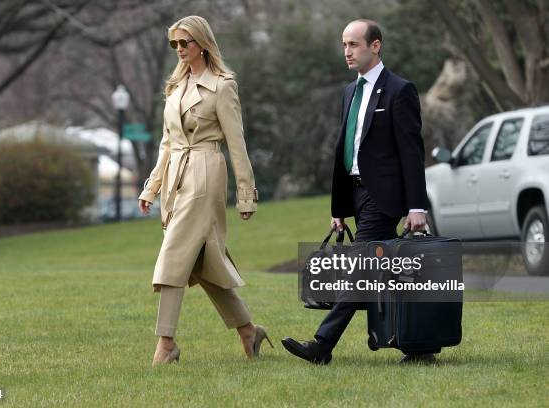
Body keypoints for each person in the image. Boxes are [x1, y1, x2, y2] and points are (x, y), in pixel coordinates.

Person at [281, 19, 431, 364]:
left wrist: (416, 206)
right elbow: (346, 151)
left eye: (354, 44)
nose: (347, 51)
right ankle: (419, 345)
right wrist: (340, 208)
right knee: (386, 271)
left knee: (361, 267)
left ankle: (322, 344)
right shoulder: (350, 91)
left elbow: (411, 153)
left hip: (385, 198)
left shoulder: (399, 90)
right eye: (344, 45)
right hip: (358, 195)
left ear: (375, 46)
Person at [138, 15, 272, 367]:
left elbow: (237, 143)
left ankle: (165, 345)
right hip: (175, 178)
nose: (179, 50)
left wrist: (246, 194)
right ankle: (248, 330)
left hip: (205, 174)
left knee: (173, 254)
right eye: (174, 44)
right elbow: (168, 143)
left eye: (184, 43)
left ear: (202, 44)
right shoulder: (176, 86)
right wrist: (151, 187)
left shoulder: (223, 85)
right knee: (201, 261)